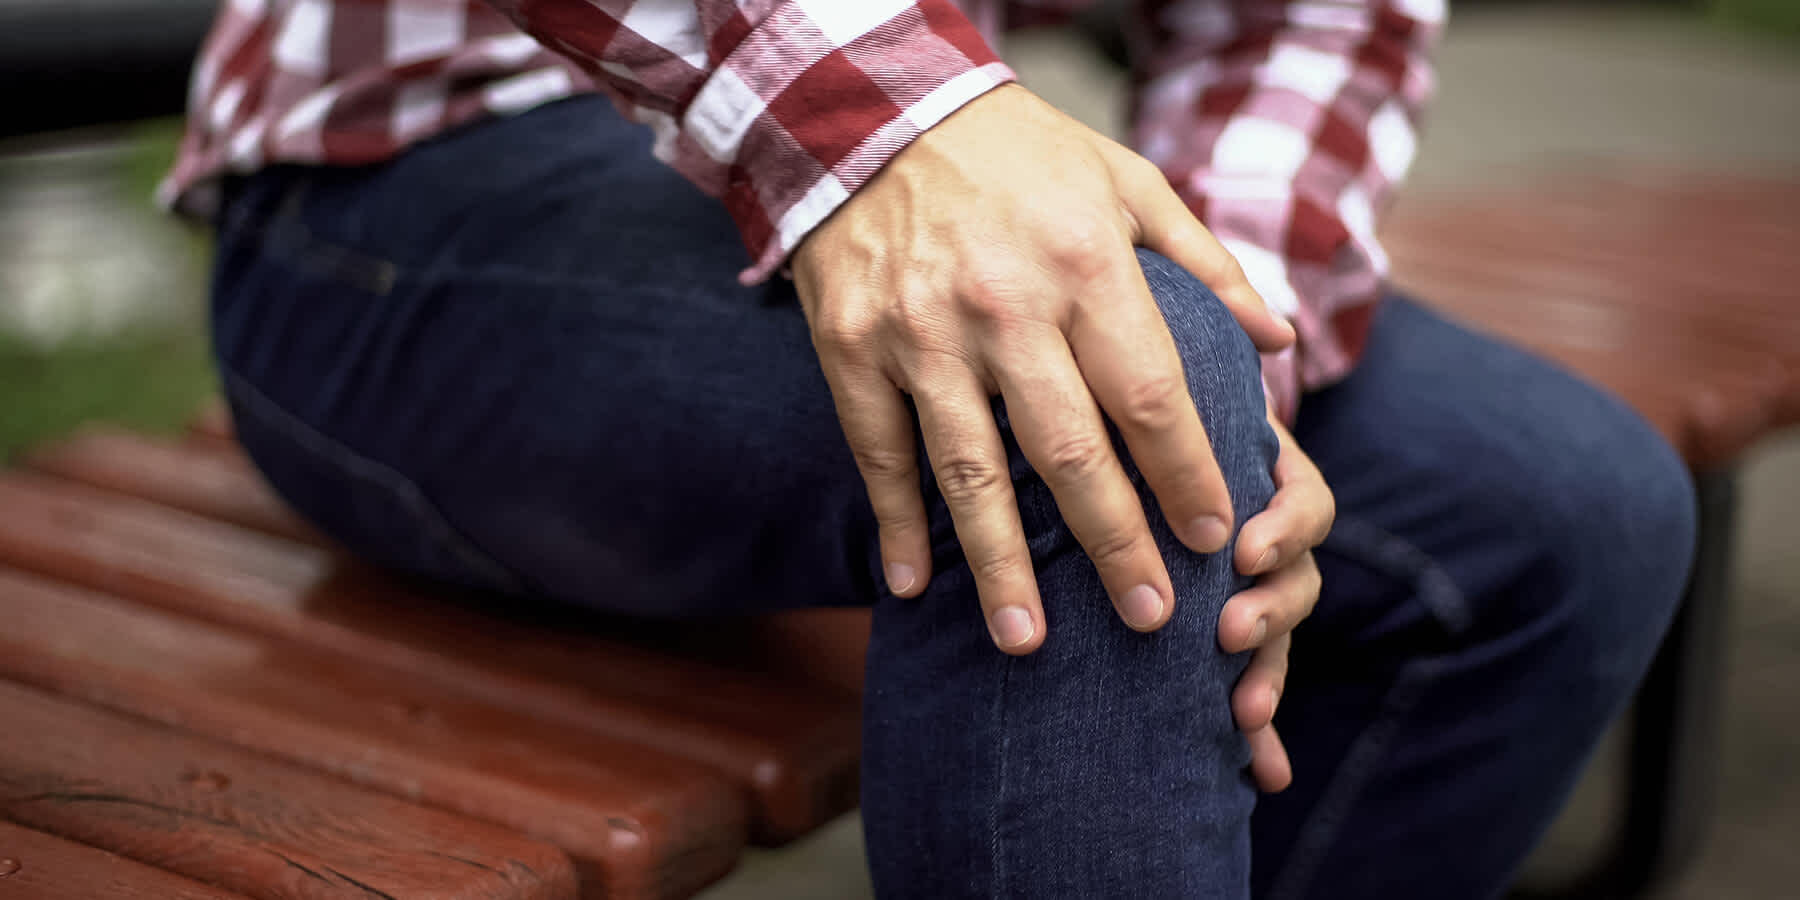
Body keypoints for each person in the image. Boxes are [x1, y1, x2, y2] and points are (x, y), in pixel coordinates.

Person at [162, 1, 1697, 897]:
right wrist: (873, 127)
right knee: (1069, 424)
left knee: (1571, 516)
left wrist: (1233, 385)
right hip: (415, 183)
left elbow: (1299, 34)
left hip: (893, 137)